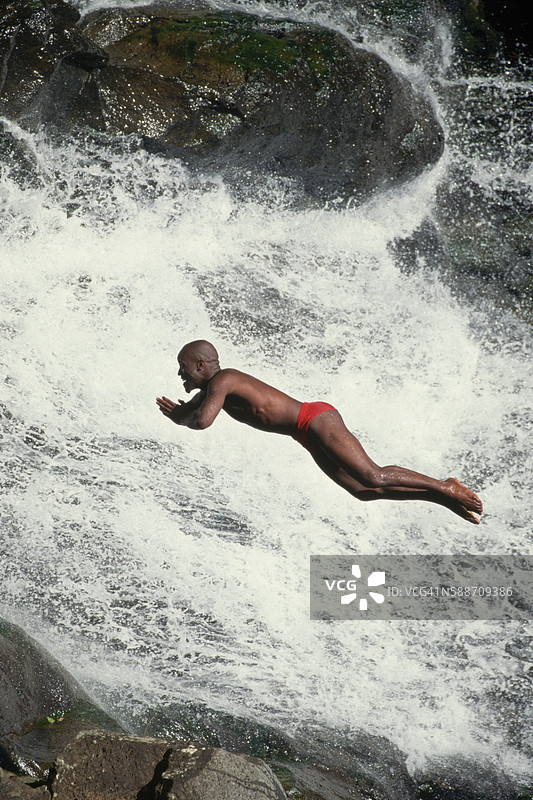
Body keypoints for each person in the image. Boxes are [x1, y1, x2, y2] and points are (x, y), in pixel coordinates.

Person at [156, 340, 483, 524]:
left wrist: (183, 419)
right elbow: (193, 412)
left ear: (200, 365)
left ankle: (446, 486)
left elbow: (202, 420)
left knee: (374, 475)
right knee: (362, 490)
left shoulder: (224, 380)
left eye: (183, 368)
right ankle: (441, 497)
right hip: (305, 434)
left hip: (315, 420)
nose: (181, 375)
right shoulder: (210, 390)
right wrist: (181, 415)